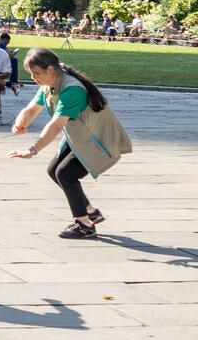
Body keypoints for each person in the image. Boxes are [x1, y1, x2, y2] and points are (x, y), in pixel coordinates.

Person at [9, 48, 129, 239]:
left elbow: (55, 126)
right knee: (54, 170)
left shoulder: (71, 89)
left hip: (99, 141)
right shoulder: (51, 84)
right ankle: (90, 212)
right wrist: (21, 121)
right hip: (82, 137)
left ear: (50, 69)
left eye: (36, 73)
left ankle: (84, 225)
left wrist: (33, 150)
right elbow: (31, 109)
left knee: (65, 174)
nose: (33, 78)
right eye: (31, 74)